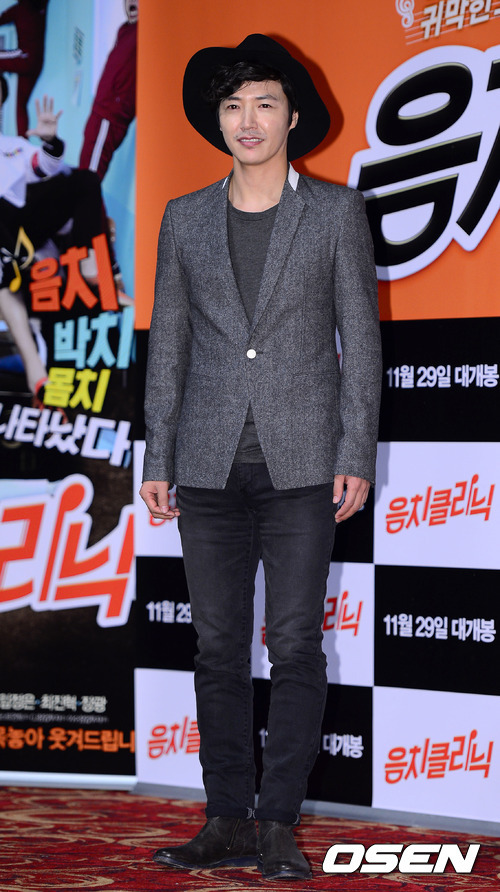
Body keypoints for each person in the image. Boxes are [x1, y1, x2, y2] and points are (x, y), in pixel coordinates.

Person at [140, 34, 382, 881]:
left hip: (303, 464)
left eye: (265, 103)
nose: (248, 120)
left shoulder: (337, 213)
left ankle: (278, 822)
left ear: (292, 117)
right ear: (218, 119)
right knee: (216, 649)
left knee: (296, 646)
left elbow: (362, 341)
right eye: (234, 105)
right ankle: (225, 819)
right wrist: (157, 455)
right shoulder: (184, 217)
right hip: (207, 466)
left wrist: (356, 450)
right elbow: (168, 345)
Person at [0, 0, 49, 137]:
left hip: (25, 58)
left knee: (21, 105)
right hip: (37, 64)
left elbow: (2, 19)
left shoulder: (19, 9)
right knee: (21, 105)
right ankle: (23, 141)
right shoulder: (42, 5)